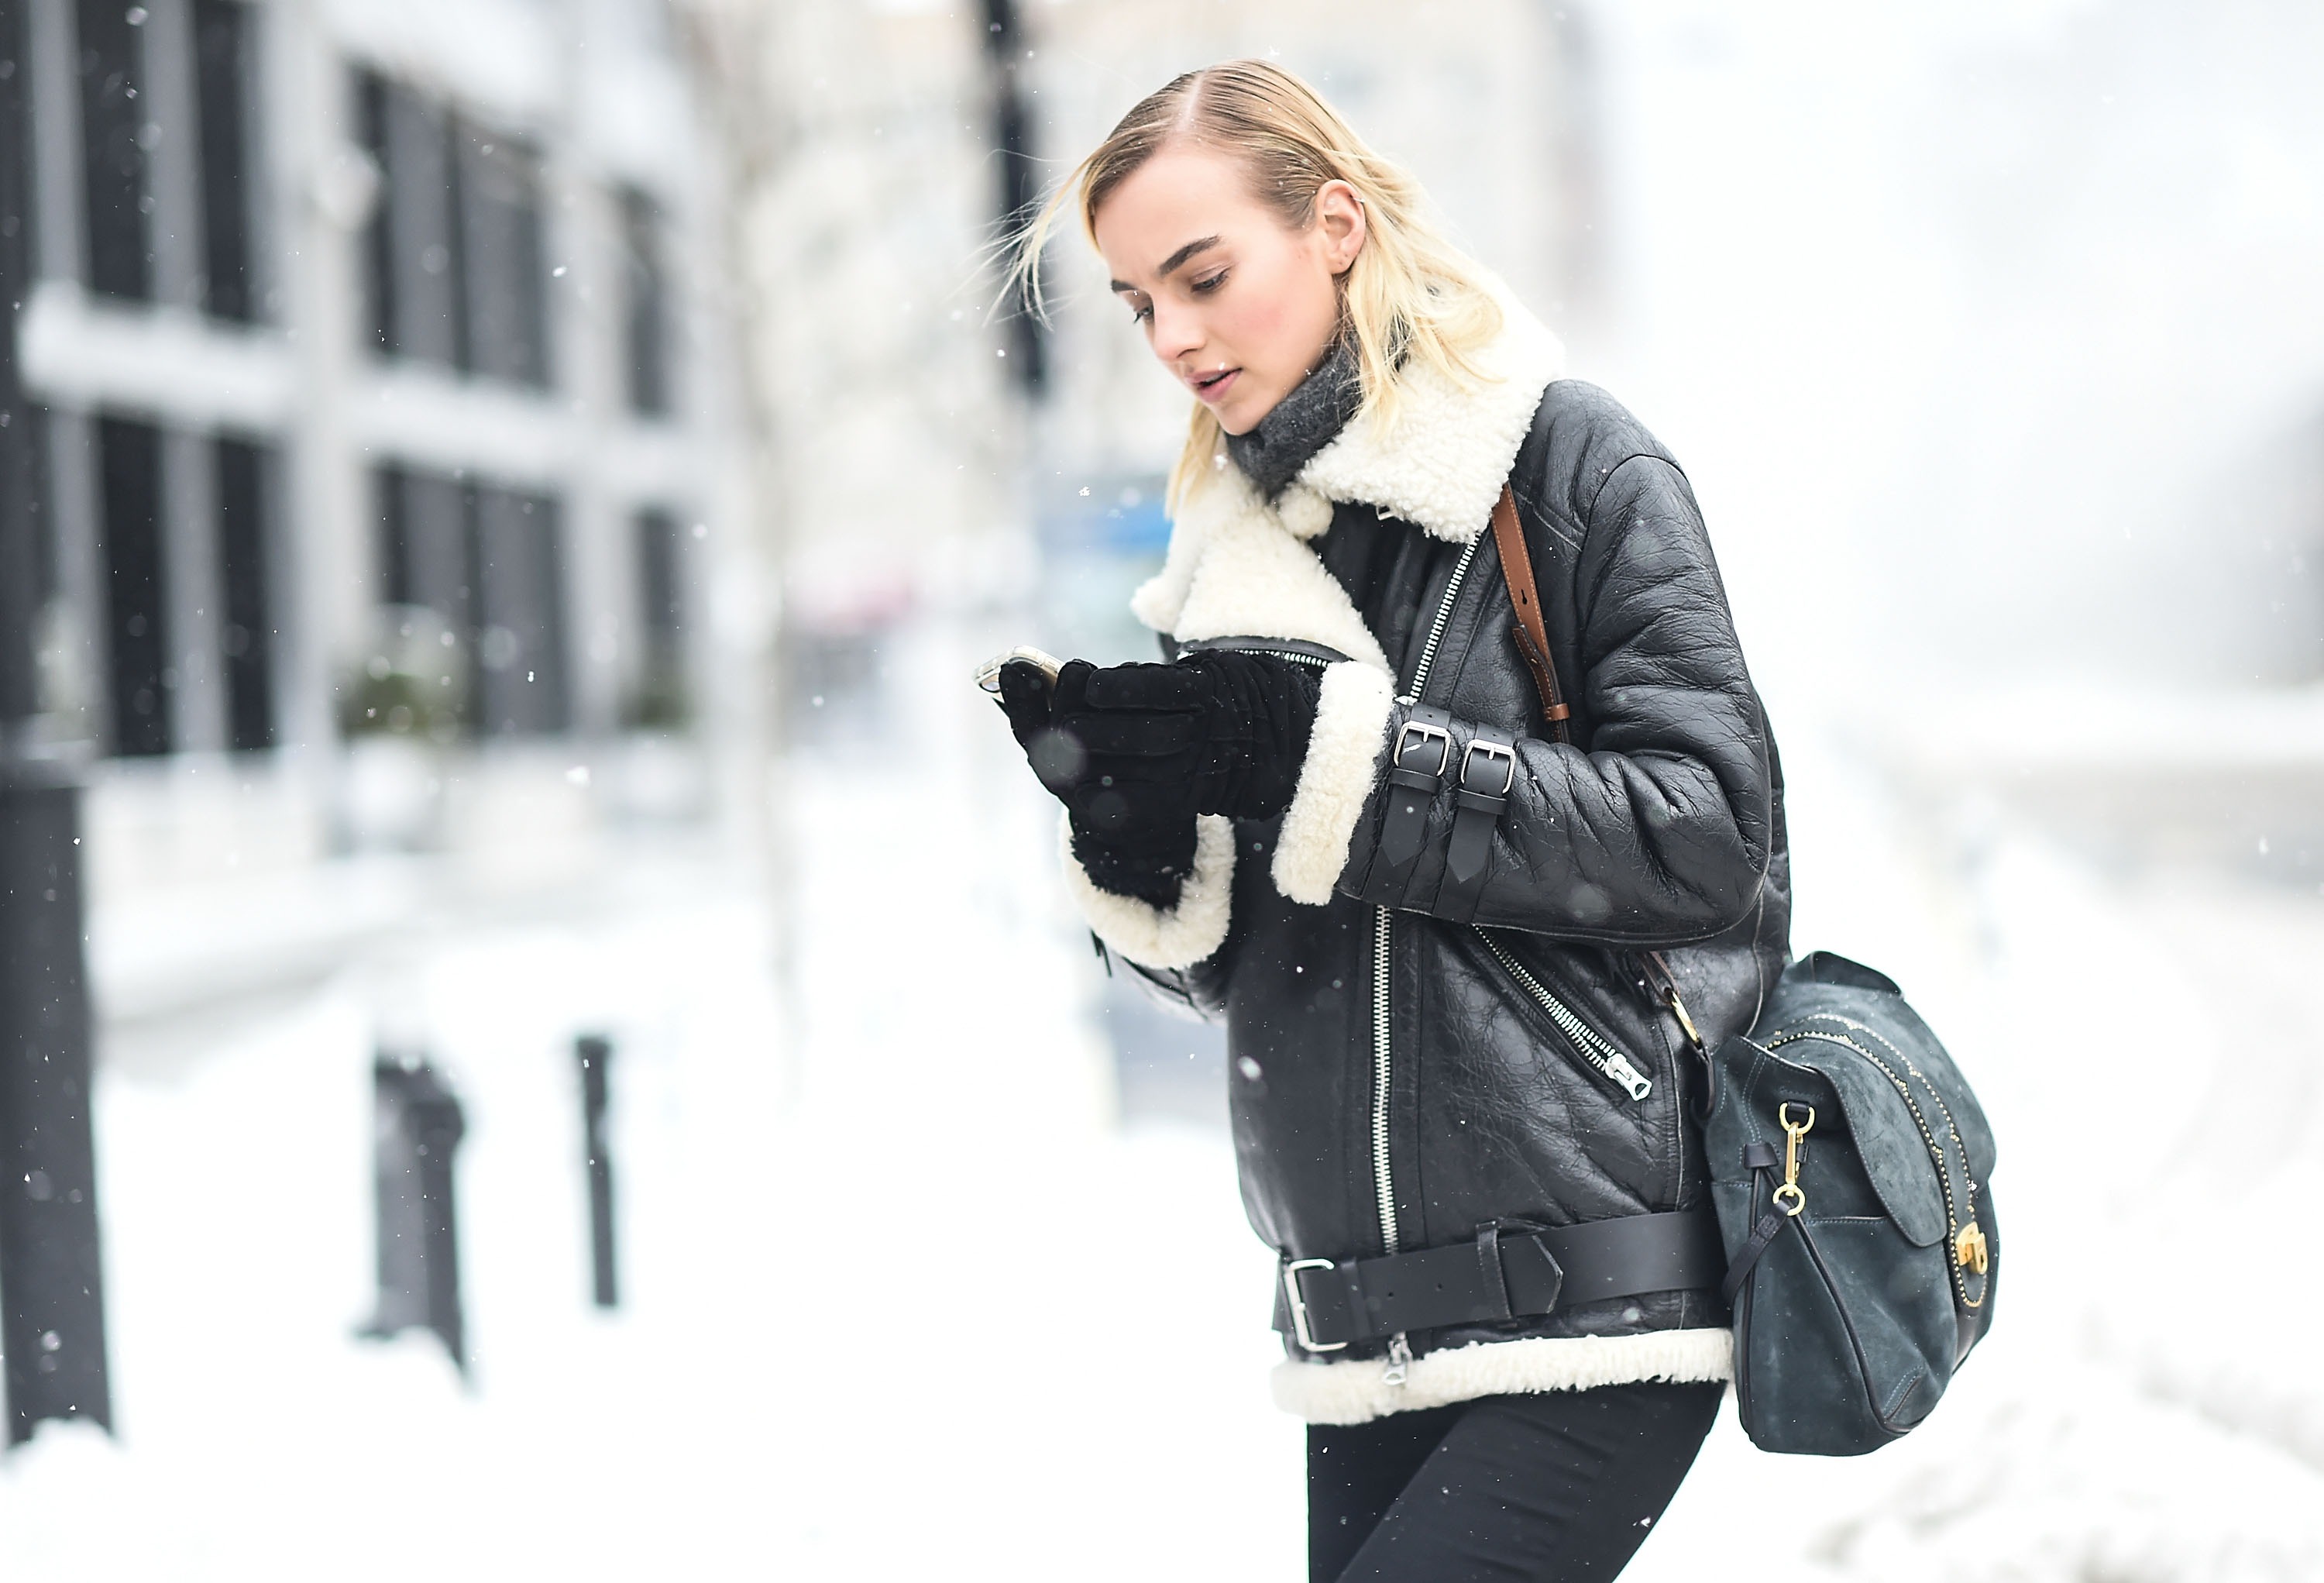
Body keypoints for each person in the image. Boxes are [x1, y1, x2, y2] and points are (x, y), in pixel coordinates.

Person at [994, 61, 1789, 1583]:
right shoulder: (1228, 553)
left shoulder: (1565, 464)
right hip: (1362, 1312)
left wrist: (1314, 754)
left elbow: (1708, 836)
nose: (1172, 336)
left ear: (1336, 225)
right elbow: (1270, 971)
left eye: (1203, 274)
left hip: (1599, 1287)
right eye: (1135, 300)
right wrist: (1139, 847)